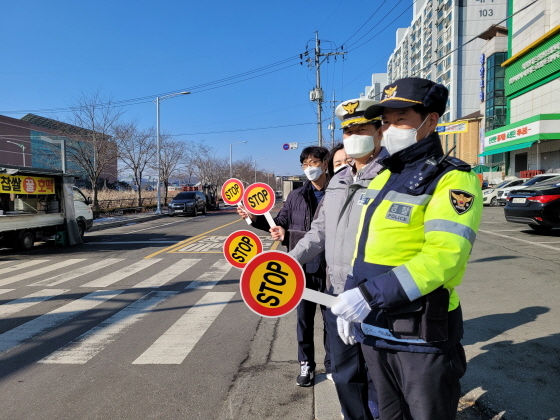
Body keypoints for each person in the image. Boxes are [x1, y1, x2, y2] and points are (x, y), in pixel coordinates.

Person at [331, 78, 483, 420]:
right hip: (374, 331)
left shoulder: (453, 179)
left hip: (421, 338)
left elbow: (444, 257)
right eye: (385, 120)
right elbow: (366, 249)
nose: (389, 128)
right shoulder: (385, 175)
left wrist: (369, 296)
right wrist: (351, 297)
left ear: (431, 120)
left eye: (400, 118)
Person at [271, 98, 388, 420]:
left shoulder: (395, 175)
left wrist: (373, 292)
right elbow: (318, 232)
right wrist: (290, 261)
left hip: (375, 296)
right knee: (346, 375)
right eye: (348, 129)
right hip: (338, 292)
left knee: (380, 377)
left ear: (381, 131)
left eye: (361, 128)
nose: (353, 136)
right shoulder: (339, 181)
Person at [237, 146, 330, 387]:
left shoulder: (338, 193)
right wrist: (253, 218)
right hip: (301, 267)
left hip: (331, 268)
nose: (309, 168)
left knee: (332, 320)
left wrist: (290, 233)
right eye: (305, 164)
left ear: (325, 163)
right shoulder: (296, 196)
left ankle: (333, 365)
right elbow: (279, 224)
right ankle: (306, 364)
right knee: (304, 320)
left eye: (313, 162)